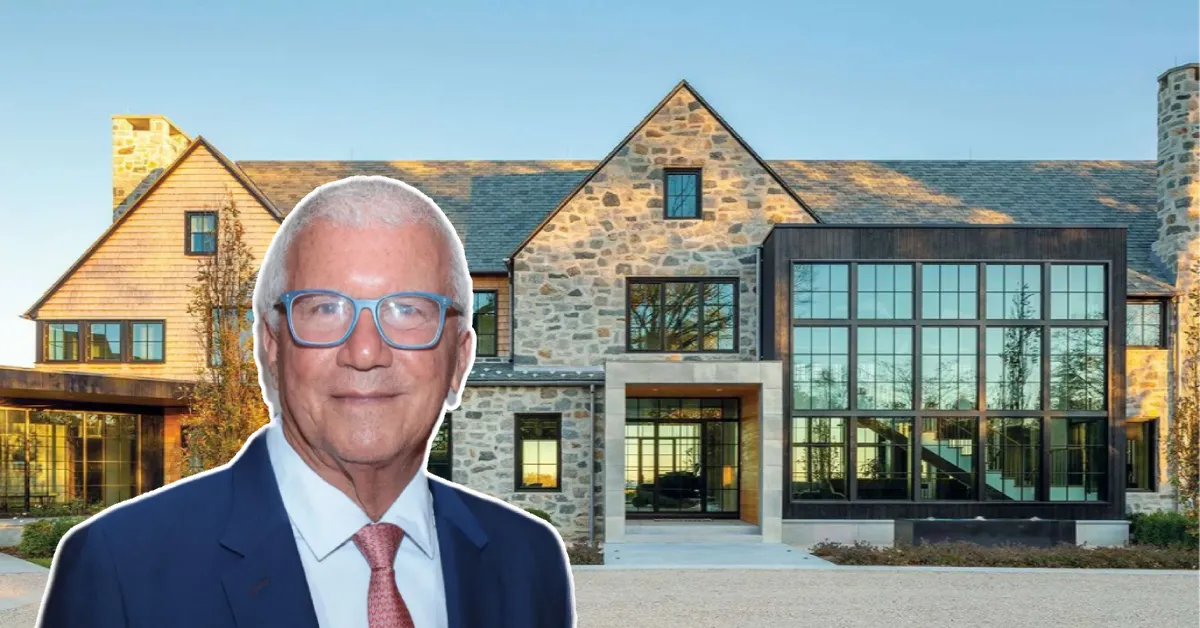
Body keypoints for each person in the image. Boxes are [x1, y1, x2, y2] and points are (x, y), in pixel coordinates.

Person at [37, 176, 577, 628]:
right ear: (271, 348)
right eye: (324, 309)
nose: (364, 352)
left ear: (459, 360)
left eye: (408, 311)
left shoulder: (529, 561)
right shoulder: (119, 569)